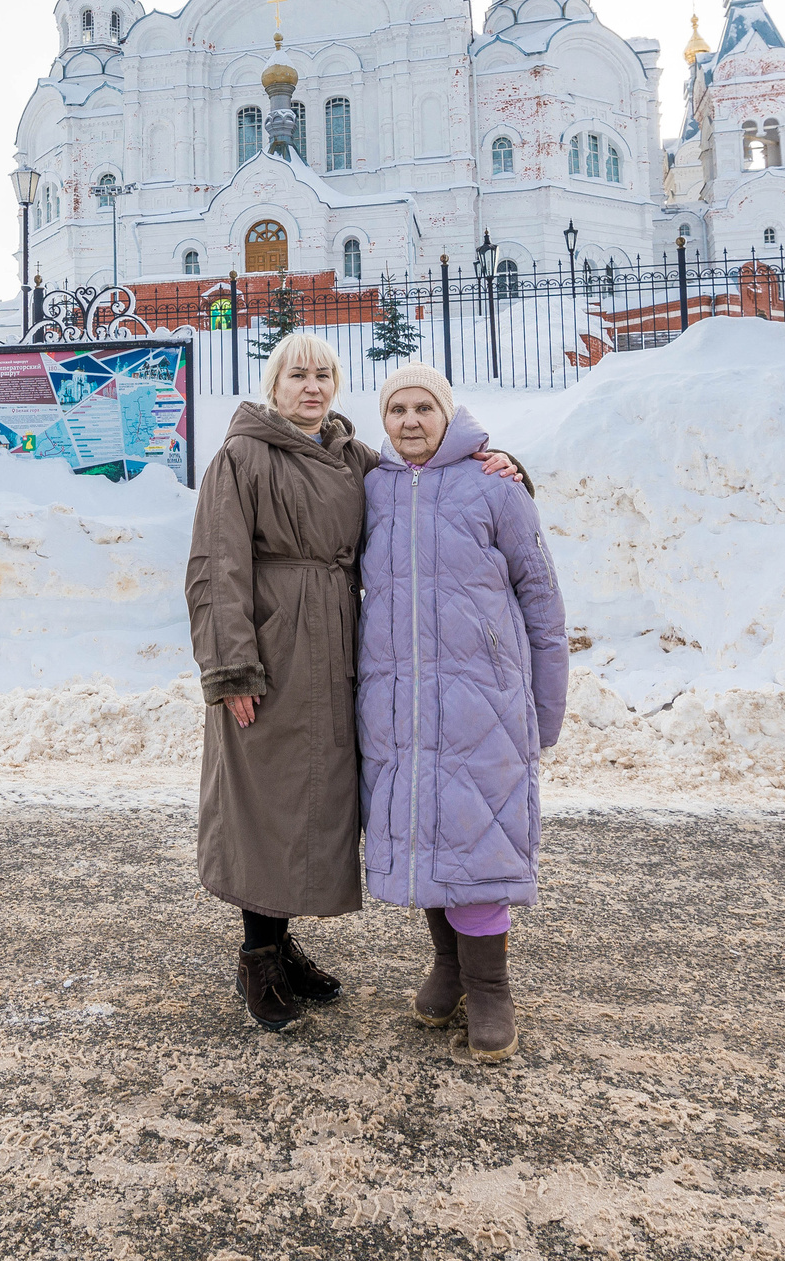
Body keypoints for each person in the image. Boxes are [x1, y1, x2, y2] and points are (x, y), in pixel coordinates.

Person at [187, 332, 522, 1032]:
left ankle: (283, 942)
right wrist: (232, 665)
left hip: (337, 647)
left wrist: (506, 465)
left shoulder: (353, 459)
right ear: (274, 383)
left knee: (318, 800)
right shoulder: (241, 456)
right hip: (271, 650)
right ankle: (258, 956)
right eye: (296, 374)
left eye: (323, 374)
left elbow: (424, 481)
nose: (310, 386)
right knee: (267, 799)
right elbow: (215, 566)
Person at [358, 363, 567, 1063]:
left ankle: (490, 986)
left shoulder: (494, 485)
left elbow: (541, 597)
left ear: (448, 414)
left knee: (476, 838)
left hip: (483, 700)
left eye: (424, 407)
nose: (411, 421)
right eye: (397, 409)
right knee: (426, 832)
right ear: (383, 420)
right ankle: (447, 965)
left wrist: (545, 708)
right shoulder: (374, 488)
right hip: (400, 700)